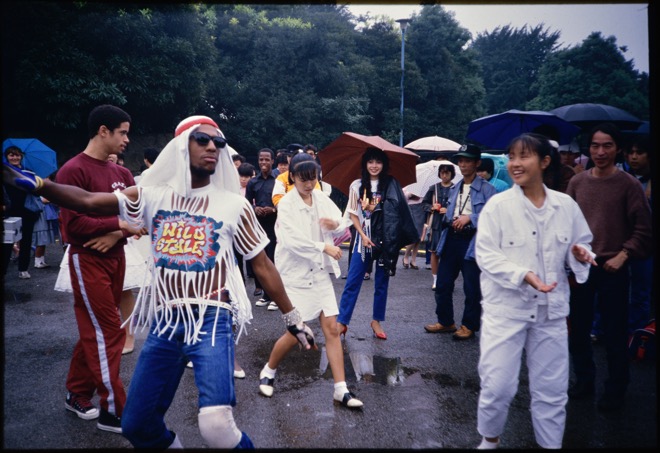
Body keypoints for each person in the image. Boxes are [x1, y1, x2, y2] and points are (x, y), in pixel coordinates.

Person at [4, 114, 317, 449]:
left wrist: (293, 318)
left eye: (219, 143)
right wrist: (38, 184)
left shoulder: (234, 205)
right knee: (137, 426)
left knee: (217, 427)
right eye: (202, 140)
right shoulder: (152, 196)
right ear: (181, 147)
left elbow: (263, 265)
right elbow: (87, 201)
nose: (213, 147)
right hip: (166, 321)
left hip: (212, 318)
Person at [474, 133, 596, 450]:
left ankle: (550, 445)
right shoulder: (498, 206)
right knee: (498, 386)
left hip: (551, 312)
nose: (515, 164)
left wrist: (580, 254)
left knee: (552, 391)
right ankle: (490, 439)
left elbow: (581, 242)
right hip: (506, 310)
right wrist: (523, 275)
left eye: (524, 156)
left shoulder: (565, 206)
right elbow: (486, 255)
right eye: (512, 156)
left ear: (544, 162)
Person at [258, 153, 362, 409]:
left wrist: (335, 223)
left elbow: (339, 223)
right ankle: (269, 370)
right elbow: (291, 241)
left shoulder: (320, 197)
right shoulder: (287, 204)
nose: (308, 183)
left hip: (319, 272)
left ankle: (341, 389)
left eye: (312, 178)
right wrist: (323, 247)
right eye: (303, 179)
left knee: (332, 329)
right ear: (292, 177)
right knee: (296, 332)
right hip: (295, 274)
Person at [55, 105, 136, 433]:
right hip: (87, 259)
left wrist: (117, 232)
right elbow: (73, 225)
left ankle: (76, 393)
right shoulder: (72, 170)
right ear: (103, 131)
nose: (127, 139)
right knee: (109, 331)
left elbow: (137, 217)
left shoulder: (123, 175)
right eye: (122, 132)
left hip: (117, 257)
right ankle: (113, 410)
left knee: (97, 329)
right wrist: (118, 224)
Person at [565, 122, 652, 412]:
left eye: (607, 146)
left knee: (614, 332)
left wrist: (624, 255)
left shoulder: (628, 184)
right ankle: (584, 380)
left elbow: (643, 229)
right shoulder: (577, 183)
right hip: (582, 265)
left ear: (618, 149)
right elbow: (565, 224)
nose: (600, 152)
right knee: (578, 328)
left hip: (614, 266)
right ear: (588, 148)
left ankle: (616, 388)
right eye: (595, 145)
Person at [336, 147, 418, 340]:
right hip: (363, 240)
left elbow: (396, 210)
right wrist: (363, 235)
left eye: (378, 162)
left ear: (384, 164)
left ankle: (376, 321)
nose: (374, 166)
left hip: (386, 240)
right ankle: (342, 321)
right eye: (370, 162)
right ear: (365, 164)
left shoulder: (391, 184)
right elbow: (353, 214)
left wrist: (375, 207)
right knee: (353, 281)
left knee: (382, 282)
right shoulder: (357, 185)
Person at [424, 144, 497, 340]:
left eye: (468, 161)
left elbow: (494, 216)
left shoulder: (488, 190)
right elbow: (449, 213)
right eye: (461, 161)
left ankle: (469, 325)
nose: (463, 164)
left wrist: (470, 218)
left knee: (471, 287)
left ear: (477, 163)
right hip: (451, 237)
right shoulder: (455, 187)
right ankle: (446, 321)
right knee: (443, 283)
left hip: (473, 240)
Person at [622, 135, 653, 333]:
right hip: (624, 242)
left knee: (641, 292)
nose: (634, 157)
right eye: (631, 153)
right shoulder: (624, 179)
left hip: (646, 245)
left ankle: (637, 334)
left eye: (639, 153)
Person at [245, 148, 278, 310]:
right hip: (258, 225)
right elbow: (247, 202)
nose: (264, 162)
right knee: (260, 258)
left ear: (272, 161)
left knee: (273, 259)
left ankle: (275, 296)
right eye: (261, 159)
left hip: (275, 225)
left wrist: (273, 209)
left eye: (267, 159)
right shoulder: (253, 182)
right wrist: (255, 208)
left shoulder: (278, 181)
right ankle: (265, 294)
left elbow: (284, 201)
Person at [2, 146, 41, 279]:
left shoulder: (28, 172)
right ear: (6, 157)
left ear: (21, 156)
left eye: (17, 155)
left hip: (27, 210)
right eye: (11, 155)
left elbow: (37, 190)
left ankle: (23, 268)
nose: (15, 157)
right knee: (7, 242)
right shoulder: (4, 172)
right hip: (10, 211)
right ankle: (3, 271)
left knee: (26, 240)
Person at [422, 163, 456, 290]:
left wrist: (448, 210)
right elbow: (424, 204)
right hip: (436, 224)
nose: (444, 175)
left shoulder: (456, 188)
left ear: (452, 174)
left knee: (449, 254)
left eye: (447, 173)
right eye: (442, 173)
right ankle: (435, 280)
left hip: (450, 225)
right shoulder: (433, 188)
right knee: (434, 252)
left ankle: (448, 280)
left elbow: (459, 207)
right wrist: (432, 207)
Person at [401, 184, 426, 270]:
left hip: (422, 208)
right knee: (414, 235)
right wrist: (411, 194)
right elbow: (403, 197)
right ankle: (406, 256)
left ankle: (413, 259)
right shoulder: (410, 185)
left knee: (419, 236)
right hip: (412, 208)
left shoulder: (424, 185)